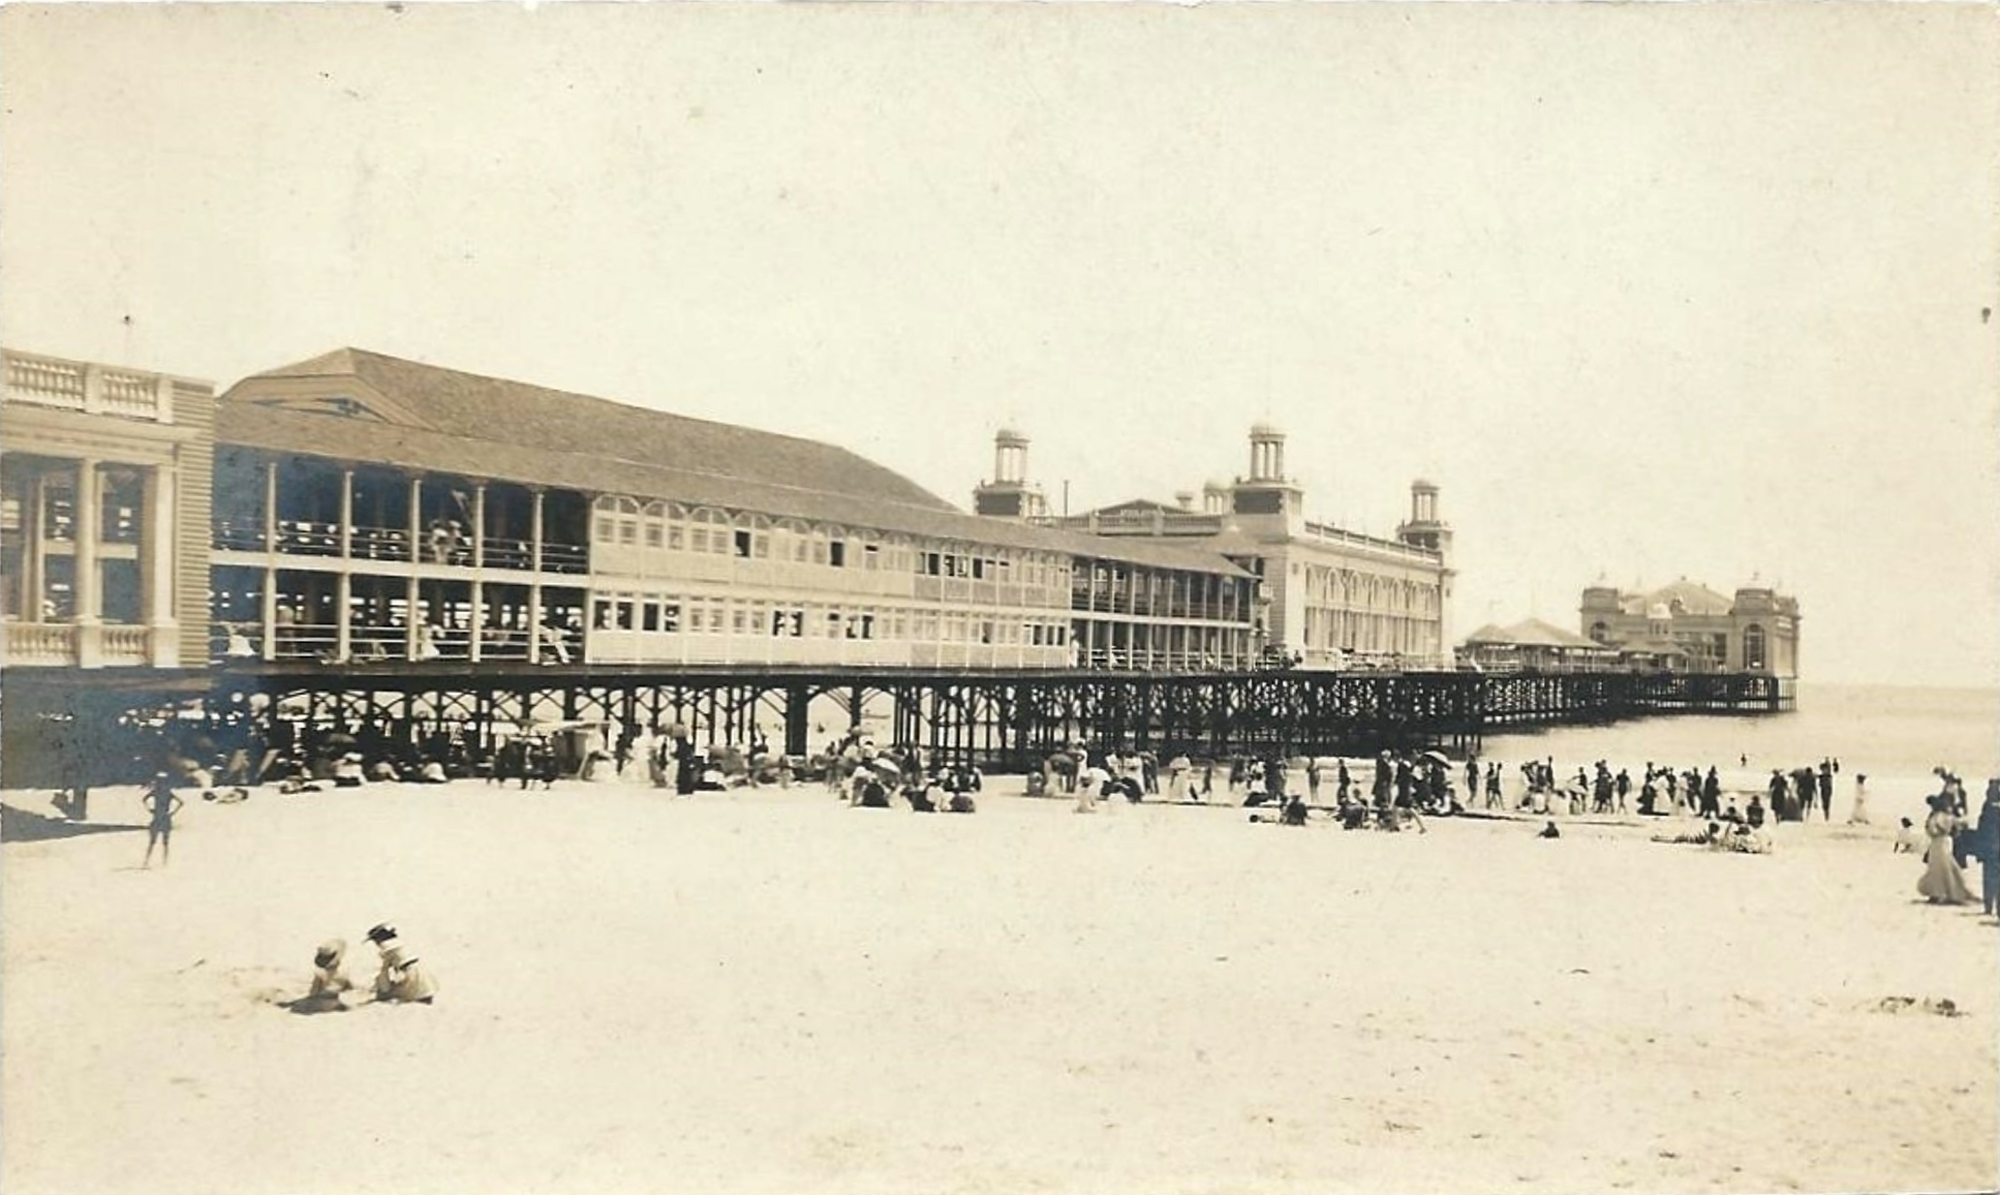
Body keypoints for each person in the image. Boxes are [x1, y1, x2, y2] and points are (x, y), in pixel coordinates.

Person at [1916, 796, 1973, 905]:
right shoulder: (1946, 816)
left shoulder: (1938, 816)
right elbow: (1960, 825)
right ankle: (1948, 892)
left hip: (1939, 843)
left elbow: (1932, 831)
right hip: (1943, 842)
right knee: (1944, 868)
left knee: (1939, 868)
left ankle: (1939, 893)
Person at [364, 924, 438, 1004]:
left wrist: (383, 988)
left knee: (389, 993)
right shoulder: (400, 943)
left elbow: (384, 971)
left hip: (411, 974)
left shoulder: (386, 948)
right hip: (422, 971)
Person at [141, 773, 184, 868]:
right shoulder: (167, 792)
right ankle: (163, 862)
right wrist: (172, 812)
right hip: (165, 817)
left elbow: (144, 800)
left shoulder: (156, 792)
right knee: (164, 842)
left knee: (153, 842)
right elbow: (181, 803)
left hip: (158, 817)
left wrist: (150, 809)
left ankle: (148, 861)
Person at [1975, 780, 2000, 916]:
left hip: (1989, 848)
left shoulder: (1987, 808)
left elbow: (1981, 830)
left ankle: (1988, 906)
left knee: (1989, 878)